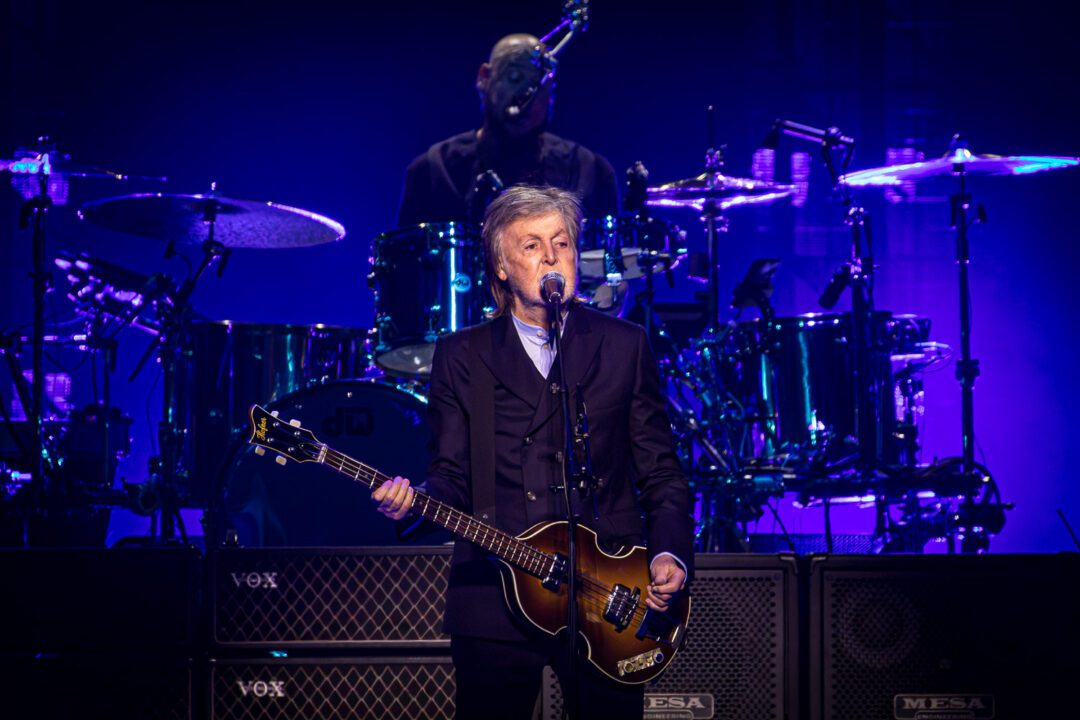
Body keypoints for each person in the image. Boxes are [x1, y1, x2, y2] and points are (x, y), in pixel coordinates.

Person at [373, 185, 693, 719]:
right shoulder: (463, 354)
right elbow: (451, 473)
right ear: (501, 267)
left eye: (562, 243)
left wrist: (668, 552)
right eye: (531, 246)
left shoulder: (623, 344)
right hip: (495, 591)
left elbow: (661, 471)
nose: (551, 257)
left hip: (608, 591)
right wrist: (414, 501)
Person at [396, 33, 620, 227]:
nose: (526, 96)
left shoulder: (588, 171)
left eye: (538, 84)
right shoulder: (433, 171)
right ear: (484, 78)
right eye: (514, 78)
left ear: (552, 93)